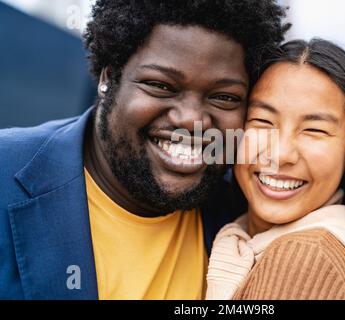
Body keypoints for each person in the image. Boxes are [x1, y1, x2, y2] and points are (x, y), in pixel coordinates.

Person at [0, 0, 289, 299]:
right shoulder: (5, 173)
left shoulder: (247, 214)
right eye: (161, 85)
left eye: (224, 97)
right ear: (108, 78)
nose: (191, 119)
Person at [206, 39, 345, 300]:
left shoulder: (305, 258)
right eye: (262, 121)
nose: (281, 154)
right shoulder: (234, 235)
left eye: (314, 130)